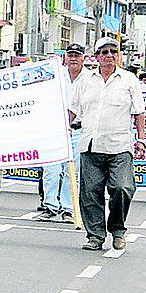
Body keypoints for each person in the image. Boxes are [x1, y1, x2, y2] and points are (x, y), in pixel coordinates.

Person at [70, 36, 146, 251]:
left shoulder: (129, 79)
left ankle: (118, 229)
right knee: (90, 193)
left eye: (113, 52)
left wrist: (141, 138)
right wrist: (62, 129)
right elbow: (73, 109)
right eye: (104, 52)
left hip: (120, 145)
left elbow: (139, 111)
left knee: (122, 188)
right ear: (96, 57)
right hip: (91, 145)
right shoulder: (85, 81)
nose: (109, 56)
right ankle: (95, 235)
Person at [38, 43, 91, 222]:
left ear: (84, 57)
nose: (74, 58)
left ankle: (69, 208)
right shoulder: (55, 75)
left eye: (77, 55)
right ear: (65, 58)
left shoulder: (90, 78)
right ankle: (50, 206)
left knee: (73, 172)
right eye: (71, 55)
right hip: (56, 129)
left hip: (78, 130)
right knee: (51, 170)